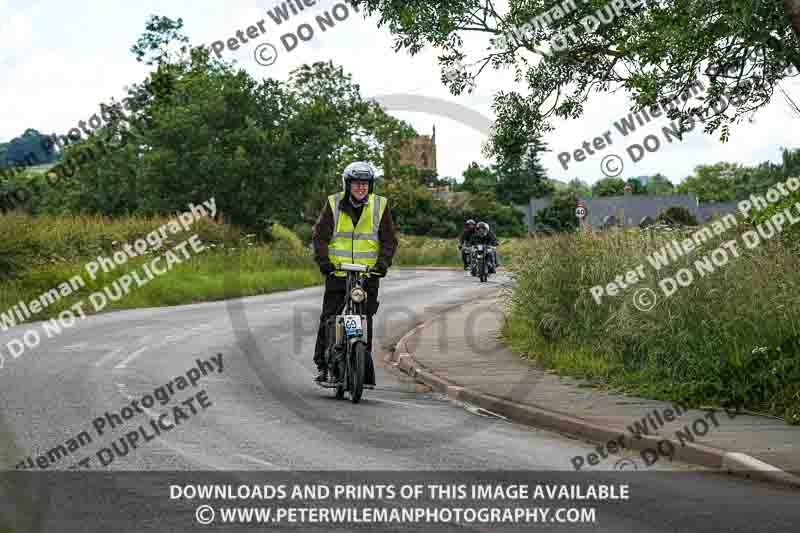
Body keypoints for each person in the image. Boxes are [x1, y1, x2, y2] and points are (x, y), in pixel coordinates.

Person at [312, 161, 398, 385]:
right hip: (337, 275)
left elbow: (389, 240)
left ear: (370, 186)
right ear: (347, 184)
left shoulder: (380, 206)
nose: (361, 188)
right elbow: (320, 236)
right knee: (330, 317)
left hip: (368, 276)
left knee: (363, 318)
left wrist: (382, 264)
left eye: (365, 184)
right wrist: (325, 263)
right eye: (356, 184)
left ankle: (361, 364)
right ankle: (324, 364)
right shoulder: (333, 204)